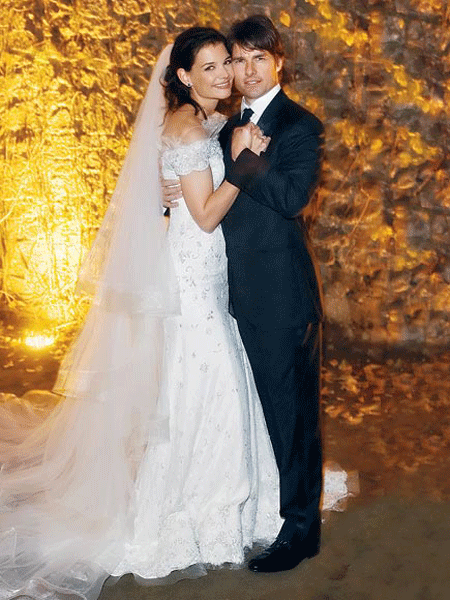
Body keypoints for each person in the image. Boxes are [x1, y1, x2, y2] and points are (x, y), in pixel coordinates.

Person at [0, 27, 283, 600]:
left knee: (205, 375)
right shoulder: (188, 126)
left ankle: (228, 502)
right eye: (208, 67)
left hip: (203, 266)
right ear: (182, 76)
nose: (223, 75)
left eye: (225, 63)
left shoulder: (201, 120)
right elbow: (205, 215)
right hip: (193, 268)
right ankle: (190, 511)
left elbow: (173, 182)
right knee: (211, 378)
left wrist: (169, 184)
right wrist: (242, 164)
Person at [164, 15, 325, 573]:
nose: (247, 70)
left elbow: (291, 198)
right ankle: (262, 509)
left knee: (292, 416)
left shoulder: (300, 126)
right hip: (224, 293)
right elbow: (197, 185)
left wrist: (244, 159)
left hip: (279, 294)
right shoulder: (221, 122)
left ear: (278, 62)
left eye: (260, 58)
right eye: (238, 59)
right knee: (253, 412)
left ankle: (301, 531)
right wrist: (169, 189)